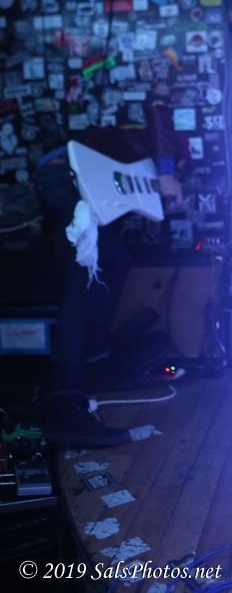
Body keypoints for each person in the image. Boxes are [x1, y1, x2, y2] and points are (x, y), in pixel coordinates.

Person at [34, 86, 182, 448]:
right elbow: (159, 119)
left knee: (115, 261)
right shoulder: (161, 125)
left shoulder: (131, 147)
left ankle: (93, 360)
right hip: (68, 174)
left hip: (69, 175)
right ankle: (64, 394)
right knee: (82, 275)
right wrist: (167, 172)